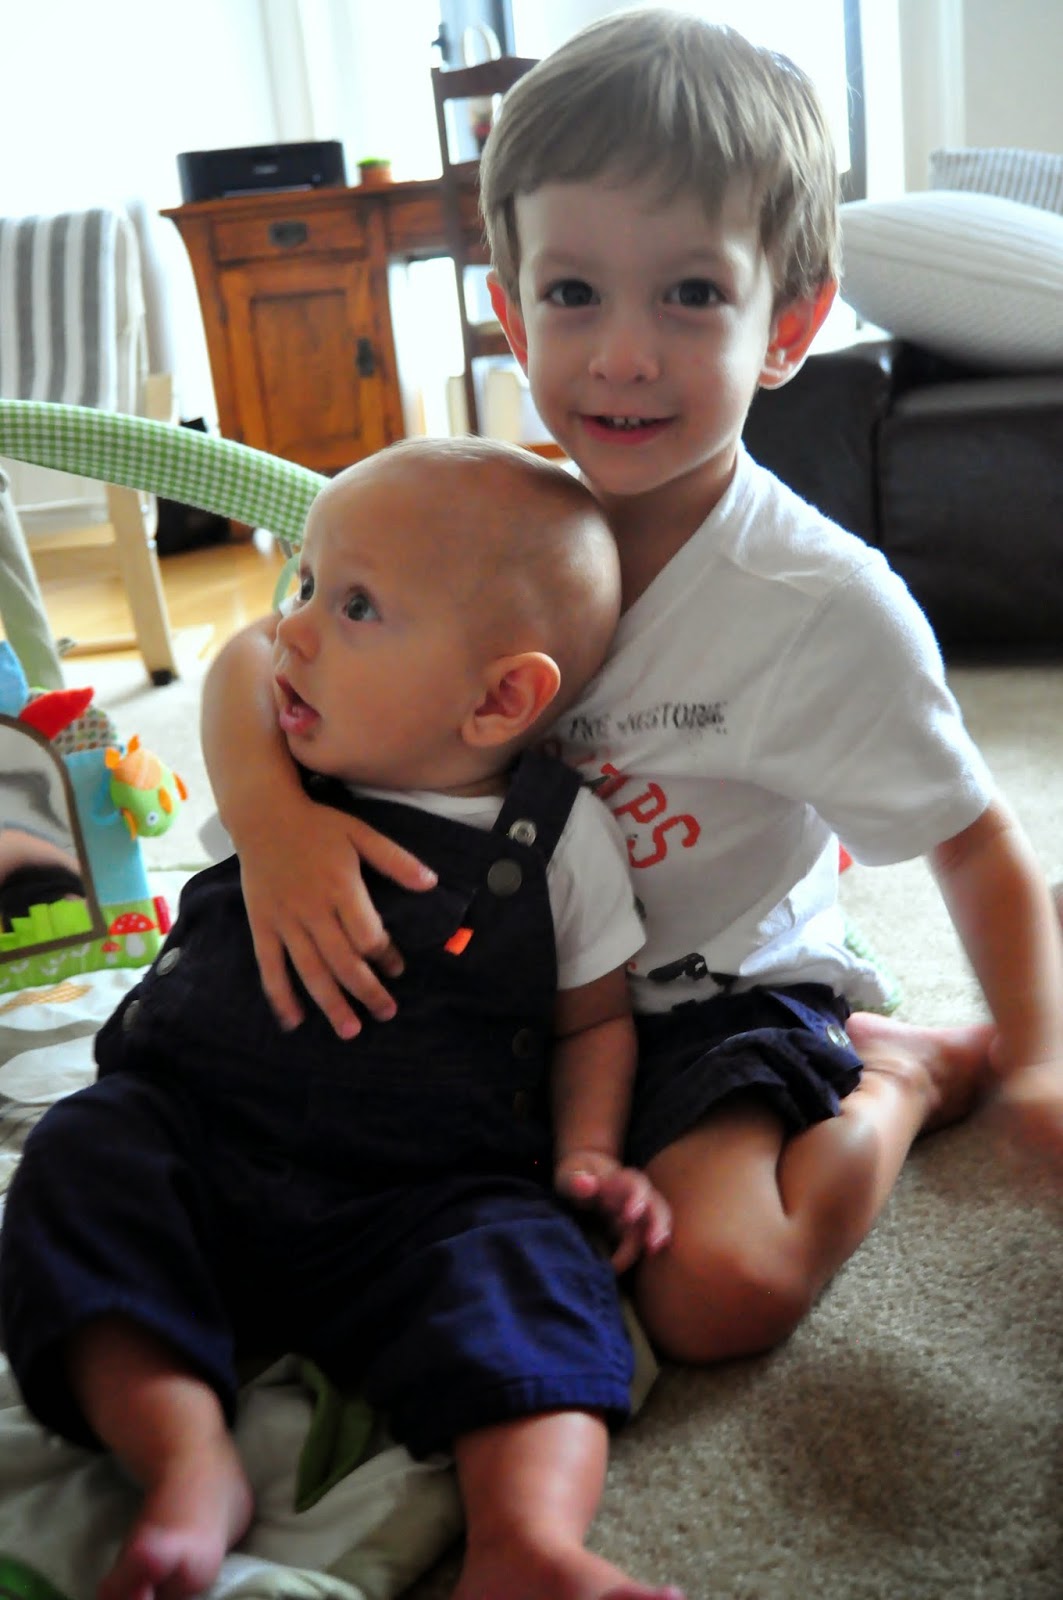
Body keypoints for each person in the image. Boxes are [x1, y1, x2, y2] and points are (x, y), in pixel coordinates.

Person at [200, 14, 1063, 1376]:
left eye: (690, 295)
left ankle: (902, 1074)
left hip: (714, 996)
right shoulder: (462, 520)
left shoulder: (817, 607)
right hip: (492, 993)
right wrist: (273, 821)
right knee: (254, 1203)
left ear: (787, 325)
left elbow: (973, 838)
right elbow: (261, 652)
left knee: (712, 1291)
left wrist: (1035, 1059)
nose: (621, 355)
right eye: (574, 293)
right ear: (510, 311)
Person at [0, 437, 686, 1600]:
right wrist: (271, 822)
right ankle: (184, 1457)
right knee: (78, 1157)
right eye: (306, 581)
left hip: (421, 1196)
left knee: (539, 1268)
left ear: (499, 699)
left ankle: (525, 1537)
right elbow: (240, 659)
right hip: (194, 1136)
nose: (296, 628)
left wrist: (585, 1153)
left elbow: (593, 1021)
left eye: (354, 605)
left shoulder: (557, 839)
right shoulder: (282, 766)